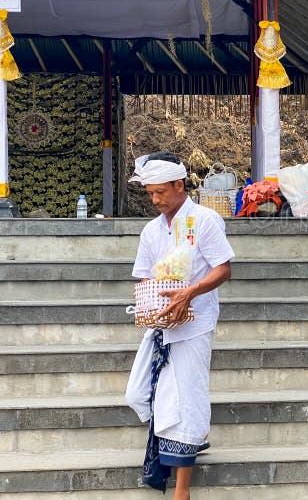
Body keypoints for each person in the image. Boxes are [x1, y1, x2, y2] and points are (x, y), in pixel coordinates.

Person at [125, 151, 235, 499]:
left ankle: (182, 490)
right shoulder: (151, 230)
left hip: (195, 321)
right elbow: (143, 278)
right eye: (150, 193)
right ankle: (193, 437)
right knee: (139, 393)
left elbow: (223, 269)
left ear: (179, 184)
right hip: (161, 322)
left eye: (161, 192)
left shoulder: (204, 220)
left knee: (185, 400)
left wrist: (190, 292)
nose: (155, 199)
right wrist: (149, 305)